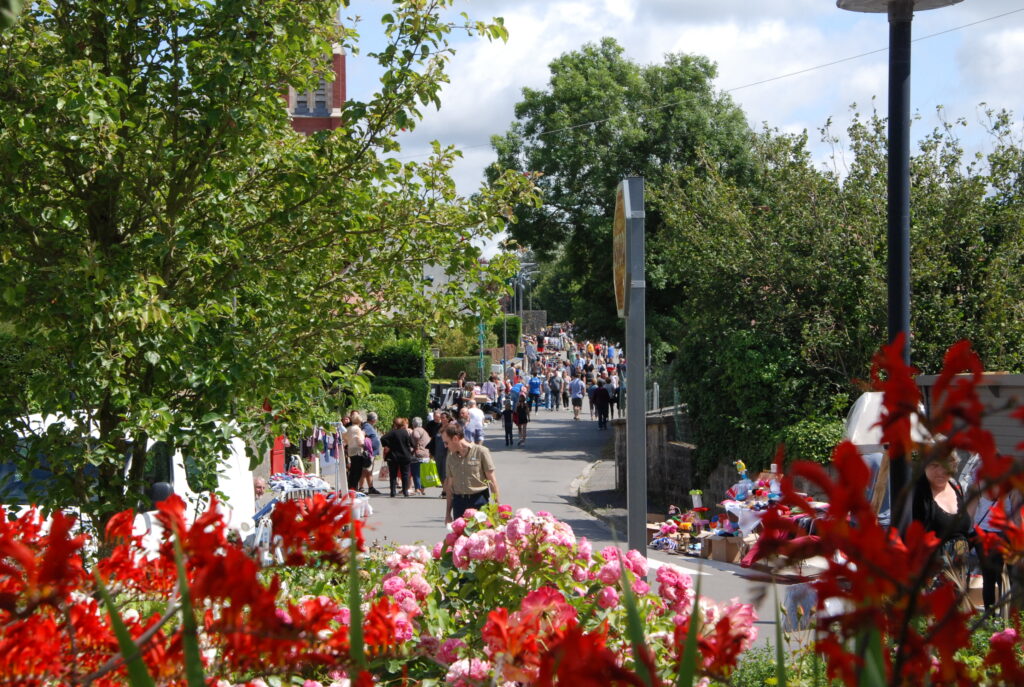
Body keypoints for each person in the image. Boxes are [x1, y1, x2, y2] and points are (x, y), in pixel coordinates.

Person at [912, 453, 973, 602]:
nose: (940, 471)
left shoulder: (955, 486)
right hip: (933, 572)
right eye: (934, 465)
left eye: (946, 465)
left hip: (960, 571)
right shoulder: (917, 493)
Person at [442, 422, 501, 523]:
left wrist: (497, 507)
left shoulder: (481, 452)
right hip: (459, 503)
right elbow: (449, 486)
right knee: (461, 538)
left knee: (480, 536)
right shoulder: (450, 457)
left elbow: (492, 481)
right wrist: (448, 514)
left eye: (446, 442)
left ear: (455, 439)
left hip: (479, 501)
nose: (445, 446)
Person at [381, 417, 415, 497]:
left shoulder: (392, 433)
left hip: (393, 456)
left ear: (395, 424)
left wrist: (388, 446)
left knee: (393, 475)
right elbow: (410, 443)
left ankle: (393, 492)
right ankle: (405, 491)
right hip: (405, 455)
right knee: (405, 474)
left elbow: (383, 438)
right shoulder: (405, 432)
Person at [344, 412, 368, 491]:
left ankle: (350, 486)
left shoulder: (348, 428)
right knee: (357, 471)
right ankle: (354, 487)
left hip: (350, 450)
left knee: (353, 469)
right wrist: (364, 437)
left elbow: (345, 439)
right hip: (357, 450)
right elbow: (360, 441)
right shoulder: (358, 429)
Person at [361, 412, 382, 494]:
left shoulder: (369, 426)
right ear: (374, 420)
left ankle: (370, 487)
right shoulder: (367, 426)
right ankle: (363, 487)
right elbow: (363, 434)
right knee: (366, 470)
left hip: (372, 452)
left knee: (368, 470)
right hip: (369, 452)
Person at [410, 417, 431, 495]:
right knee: (423, 473)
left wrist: (416, 445)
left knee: (416, 472)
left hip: (419, 454)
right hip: (426, 454)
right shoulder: (424, 431)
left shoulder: (416, 430)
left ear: (413, 424)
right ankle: (422, 488)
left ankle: (417, 488)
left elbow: (416, 436)